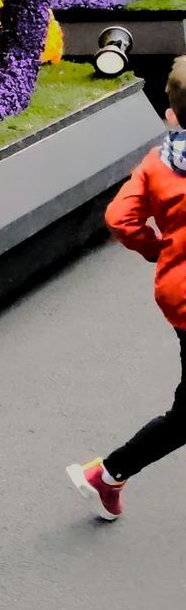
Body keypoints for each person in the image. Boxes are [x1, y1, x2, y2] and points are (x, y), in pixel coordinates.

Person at [70, 57, 186, 518]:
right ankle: (108, 472)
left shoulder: (158, 163)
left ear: (172, 114)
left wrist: (159, 249)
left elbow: (121, 218)